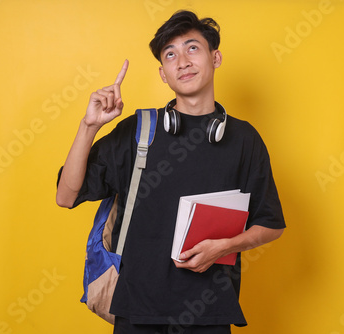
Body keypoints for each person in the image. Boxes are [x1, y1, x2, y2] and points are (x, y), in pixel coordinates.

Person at [56, 10, 286, 334]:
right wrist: (89, 126)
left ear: (215, 57)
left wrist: (225, 246)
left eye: (192, 48)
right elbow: (65, 197)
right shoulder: (137, 131)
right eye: (170, 54)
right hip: (136, 315)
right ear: (163, 74)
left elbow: (270, 225)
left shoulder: (244, 139)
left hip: (210, 315)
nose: (182, 61)